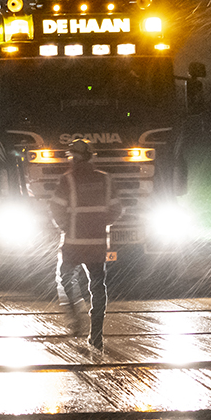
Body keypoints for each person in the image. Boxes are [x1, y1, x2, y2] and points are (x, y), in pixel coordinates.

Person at [50, 138, 118, 349]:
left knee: (66, 278)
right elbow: (116, 209)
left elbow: (55, 208)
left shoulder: (67, 180)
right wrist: (100, 224)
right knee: (98, 286)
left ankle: (75, 317)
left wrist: (65, 226)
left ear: (73, 157)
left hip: (73, 243)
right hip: (98, 244)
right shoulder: (106, 180)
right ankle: (96, 335)